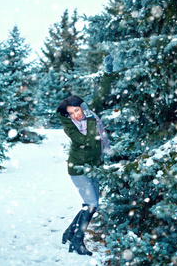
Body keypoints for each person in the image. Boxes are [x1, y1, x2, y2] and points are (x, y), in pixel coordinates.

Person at [56, 55, 114, 256]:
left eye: (78, 110)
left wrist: (107, 72)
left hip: (94, 165)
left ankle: (69, 233)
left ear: (83, 107)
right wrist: (89, 117)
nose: (76, 115)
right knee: (91, 204)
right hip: (78, 168)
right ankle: (77, 241)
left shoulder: (90, 114)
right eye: (72, 113)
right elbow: (88, 140)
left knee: (91, 205)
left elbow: (102, 94)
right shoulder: (71, 127)